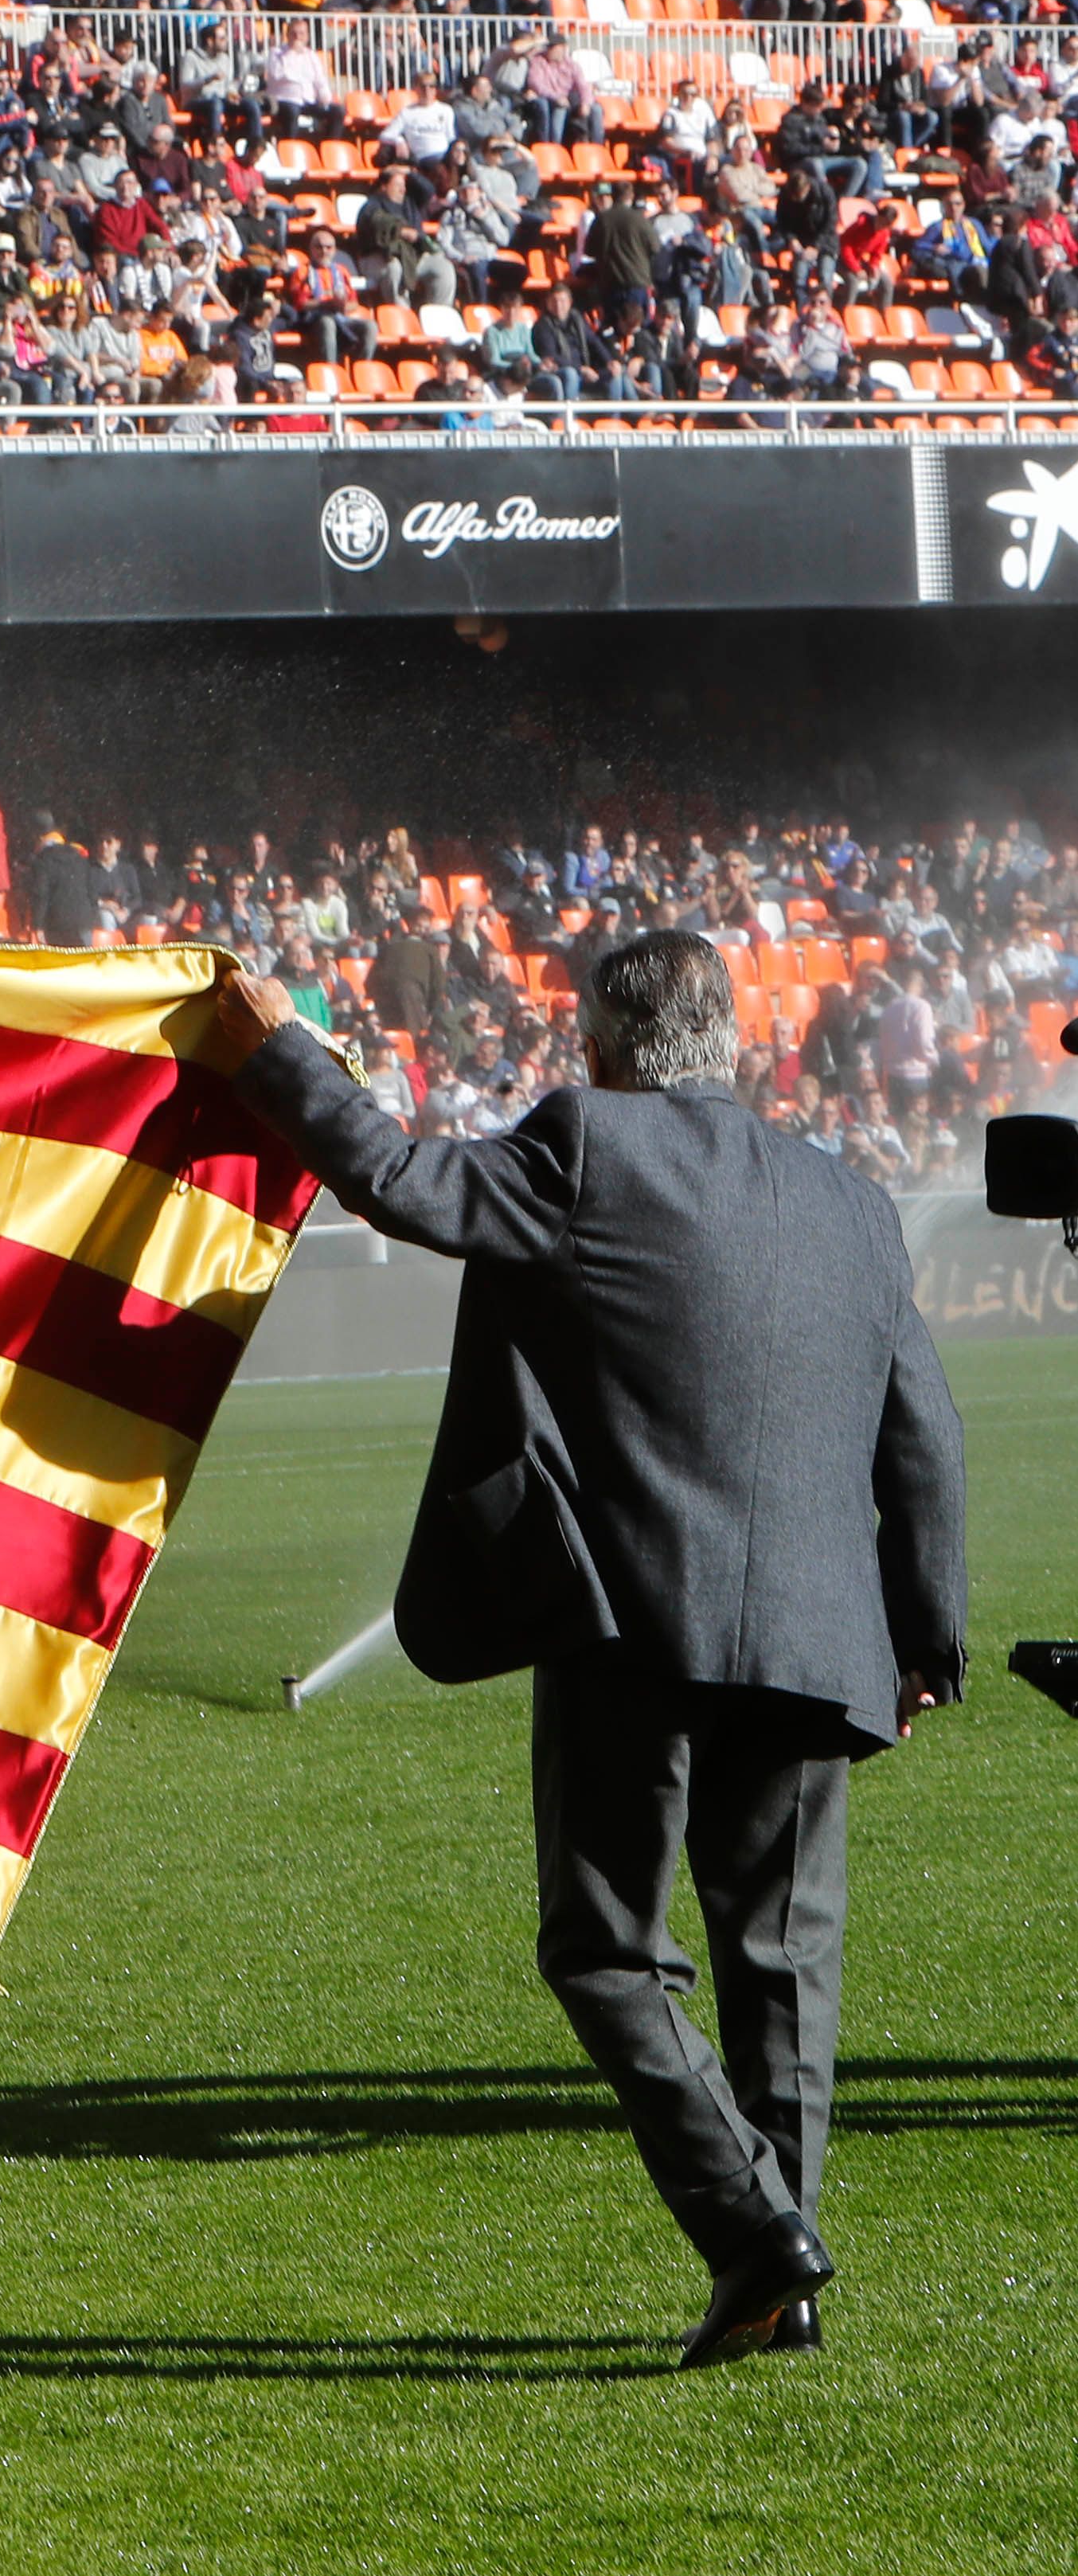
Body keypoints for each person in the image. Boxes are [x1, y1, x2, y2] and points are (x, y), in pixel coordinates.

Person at [211, 929, 967, 2367]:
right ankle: (775, 2279)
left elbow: (401, 1178)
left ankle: (757, 2241)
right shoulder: (855, 1198)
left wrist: (273, 1054)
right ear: (727, 1043)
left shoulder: (583, 1144)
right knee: (781, 1968)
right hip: (817, 1633)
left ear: (604, 1053)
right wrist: (924, 1629)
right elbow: (921, 1427)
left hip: (632, 1616)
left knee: (608, 1949)